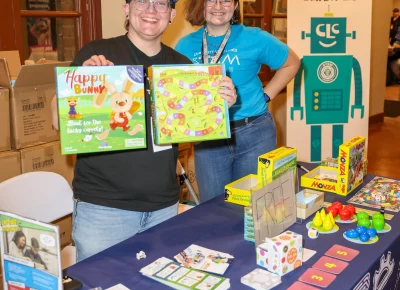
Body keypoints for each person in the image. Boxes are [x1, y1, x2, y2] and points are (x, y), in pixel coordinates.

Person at [51, 0, 237, 262]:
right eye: (142, 2)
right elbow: (59, 121)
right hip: (104, 209)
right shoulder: (98, 54)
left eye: (160, 3)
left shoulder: (182, 66)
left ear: (171, 14)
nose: (151, 10)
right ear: (126, 8)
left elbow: (197, 129)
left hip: (163, 207)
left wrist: (220, 106)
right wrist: (79, 86)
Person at [175, 0, 300, 203]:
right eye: (211, 0)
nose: (218, 6)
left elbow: (292, 63)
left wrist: (266, 95)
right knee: (214, 207)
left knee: (253, 206)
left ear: (234, 6)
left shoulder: (255, 38)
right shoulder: (185, 46)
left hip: (254, 132)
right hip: (210, 137)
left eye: (225, 0)